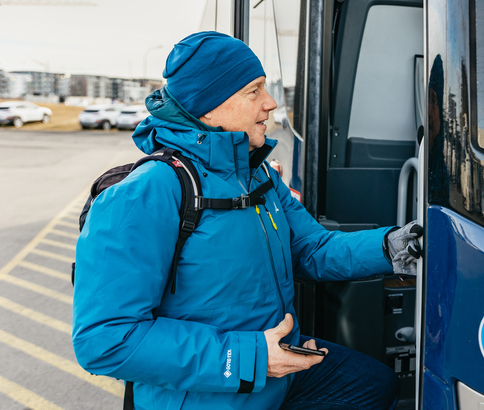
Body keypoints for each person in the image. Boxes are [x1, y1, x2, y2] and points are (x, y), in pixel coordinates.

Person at [72, 31, 423, 410]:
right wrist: (253, 358)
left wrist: (393, 247)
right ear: (209, 108)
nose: (270, 103)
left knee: (374, 385)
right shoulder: (144, 194)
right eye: (254, 91)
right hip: (210, 392)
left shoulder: (258, 176)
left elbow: (312, 248)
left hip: (275, 370)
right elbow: (105, 340)